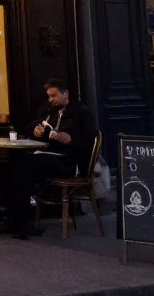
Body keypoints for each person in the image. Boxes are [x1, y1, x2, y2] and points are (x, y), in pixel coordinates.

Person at [6, 78, 97, 239]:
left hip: (70, 162)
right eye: (49, 96)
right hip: (49, 156)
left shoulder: (82, 113)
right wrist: (36, 129)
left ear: (65, 94)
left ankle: (20, 221)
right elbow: (33, 123)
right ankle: (17, 219)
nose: (51, 100)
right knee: (16, 162)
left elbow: (88, 141)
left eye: (53, 96)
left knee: (26, 165)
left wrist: (69, 139)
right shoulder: (48, 110)